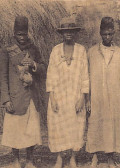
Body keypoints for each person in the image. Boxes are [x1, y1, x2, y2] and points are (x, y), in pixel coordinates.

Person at [0, 16, 46, 168]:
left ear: (28, 33)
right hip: (15, 97)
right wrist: (6, 99)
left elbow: (44, 68)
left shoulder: (33, 49)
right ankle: (16, 161)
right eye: (19, 34)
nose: (22, 37)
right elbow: (2, 76)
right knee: (15, 130)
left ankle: (30, 160)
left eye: (24, 34)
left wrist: (33, 65)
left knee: (31, 129)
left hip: (31, 96)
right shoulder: (7, 51)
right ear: (14, 33)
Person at [46, 16, 90, 168]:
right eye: (65, 31)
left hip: (75, 95)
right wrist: (52, 97)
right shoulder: (56, 50)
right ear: (62, 33)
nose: (68, 34)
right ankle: (59, 157)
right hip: (59, 95)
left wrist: (82, 98)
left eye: (71, 31)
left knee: (76, 125)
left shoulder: (81, 50)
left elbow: (85, 75)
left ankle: (72, 157)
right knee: (58, 125)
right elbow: (50, 74)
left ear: (75, 33)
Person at [86, 17, 120, 168]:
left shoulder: (118, 53)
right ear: (100, 33)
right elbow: (86, 76)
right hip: (96, 96)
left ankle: (110, 158)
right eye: (105, 34)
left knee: (112, 125)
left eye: (110, 34)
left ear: (114, 34)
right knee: (95, 124)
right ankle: (95, 157)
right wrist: (88, 98)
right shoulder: (92, 52)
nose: (108, 37)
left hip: (113, 97)